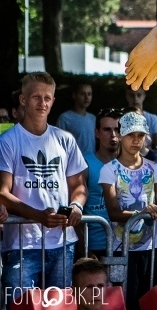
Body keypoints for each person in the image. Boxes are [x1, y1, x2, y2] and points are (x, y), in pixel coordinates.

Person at [0, 72, 85, 300]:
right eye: (36, 97)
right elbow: (3, 193)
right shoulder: (8, 141)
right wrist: (38, 216)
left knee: (58, 307)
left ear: (54, 101)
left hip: (62, 243)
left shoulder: (65, 139)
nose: (42, 103)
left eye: (47, 98)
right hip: (22, 246)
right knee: (20, 306)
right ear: (23, 99)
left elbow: (78, 185)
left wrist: (76, 206)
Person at [99, 110, 157, 310]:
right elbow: (113, 212)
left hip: (155, 248)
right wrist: (143, 212)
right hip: (121, 249)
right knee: (125, 303)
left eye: (140, 135)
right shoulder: (109, 169)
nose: (136, 140)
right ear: (120, 135)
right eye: (131, 134)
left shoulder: (154, 167)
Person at [83, 108, 122, 257]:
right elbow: (75, 206)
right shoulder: (85, 163)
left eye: (117, 130)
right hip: (95, 246)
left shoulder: (132, 164)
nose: (113, 135)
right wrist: (83, 248)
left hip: (128, 244)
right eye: (107, 130)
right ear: (97, 133)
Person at [56, 82, 96, 155]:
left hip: (92, 162)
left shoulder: (93, 118)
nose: (86, 98)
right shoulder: (65, 118)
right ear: (74, 95)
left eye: (89, 94)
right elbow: (59, 144)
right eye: (82, 94)